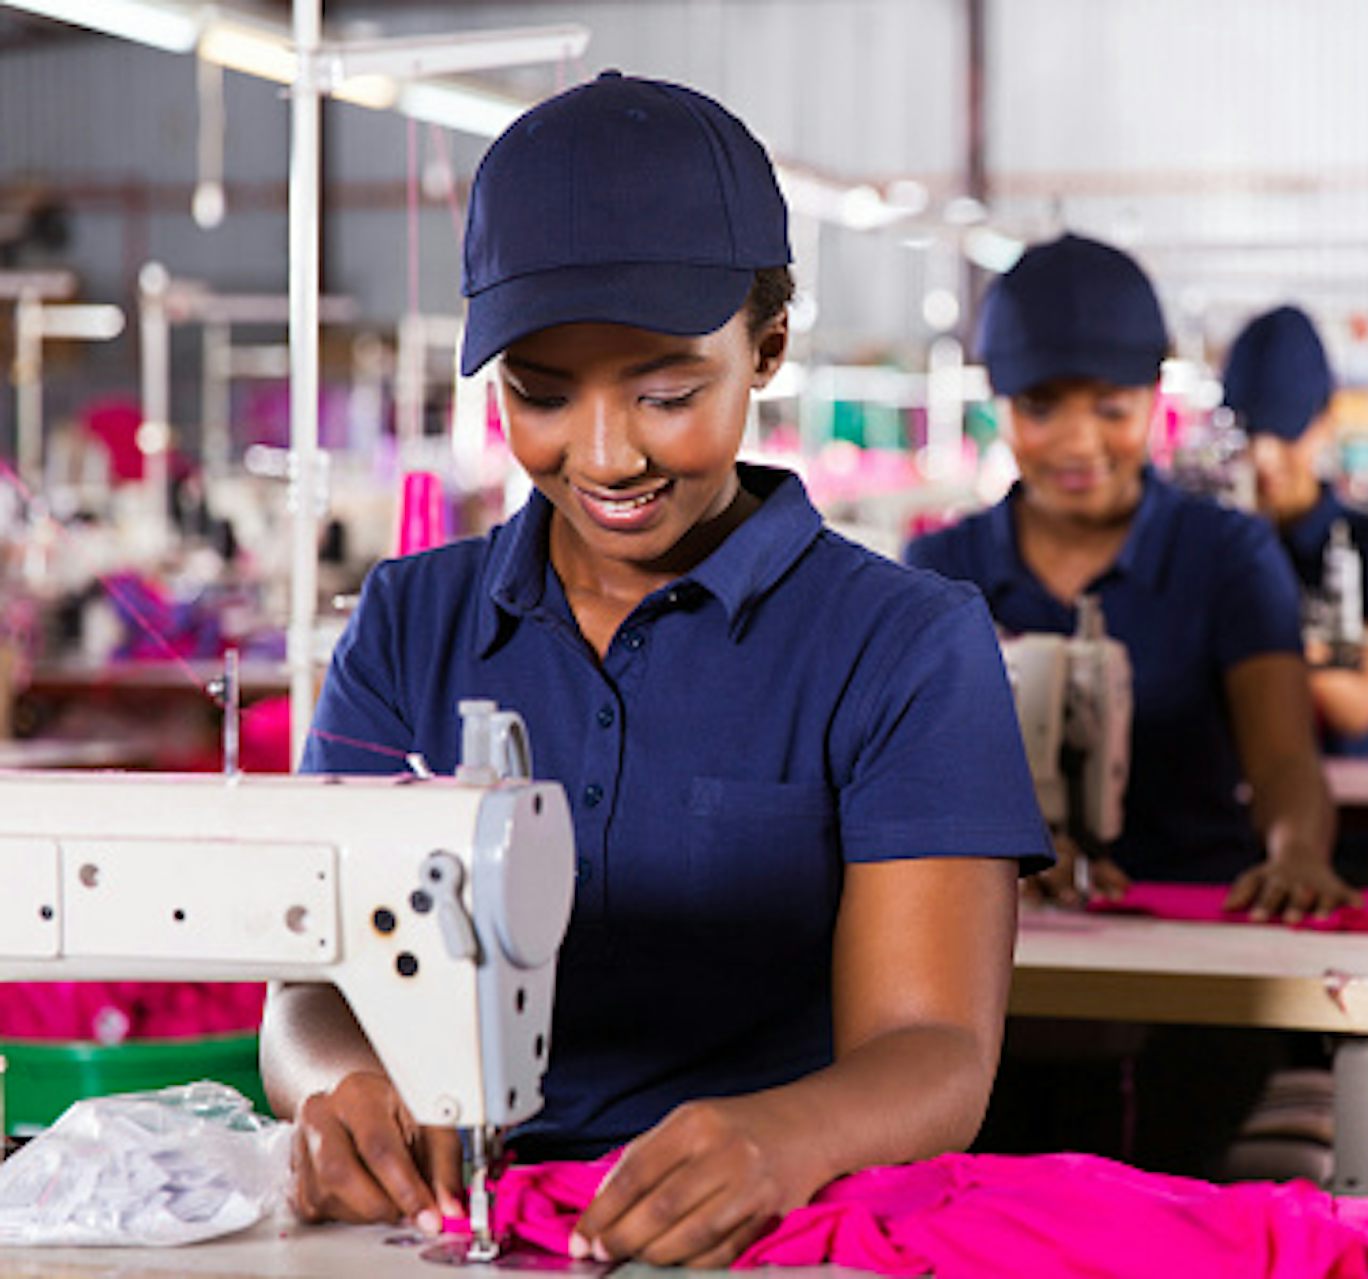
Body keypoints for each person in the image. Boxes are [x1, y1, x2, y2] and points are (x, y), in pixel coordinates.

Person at [265, 73, 1050, 1270]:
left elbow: (937, 1046)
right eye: (537, 390)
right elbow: (307, 991)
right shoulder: (408, 622)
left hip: (767, 1236)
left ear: (767, 347)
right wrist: (347, 1083)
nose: (603, 451)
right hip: (439, 1230)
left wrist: (779, 1140)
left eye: (668, 391)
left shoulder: (901, 644)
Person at [906, 234, 1348, 1181]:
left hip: (1195, 987)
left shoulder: (1226, 556)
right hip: (998, 990)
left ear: (1155, 398)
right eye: (1039, 407)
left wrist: (1296, 851)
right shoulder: (940, 573)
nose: (1077, 443)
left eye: (1110, 408)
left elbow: (1282, 759)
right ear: (1000, 406)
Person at [1221, 305, 1368, 752]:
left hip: (1346, 808)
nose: (1264, 457)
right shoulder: (1211, 544)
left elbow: (1358, 708)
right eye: (1250, 435)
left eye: (1285, 434)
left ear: (1327, 420)